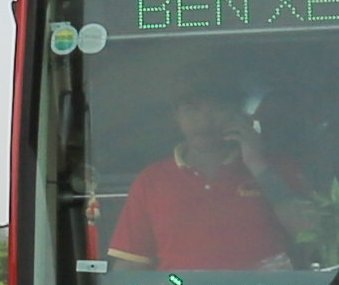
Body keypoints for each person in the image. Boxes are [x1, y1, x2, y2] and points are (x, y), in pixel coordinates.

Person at [109, 93, 285, 267]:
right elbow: (130, 266)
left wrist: (257, 164)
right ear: (175, 116)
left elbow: (309, 239)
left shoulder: (277, 168)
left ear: (240, 114)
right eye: (191, 109)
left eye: (218, 108)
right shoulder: (151, 180)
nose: (204, 121)